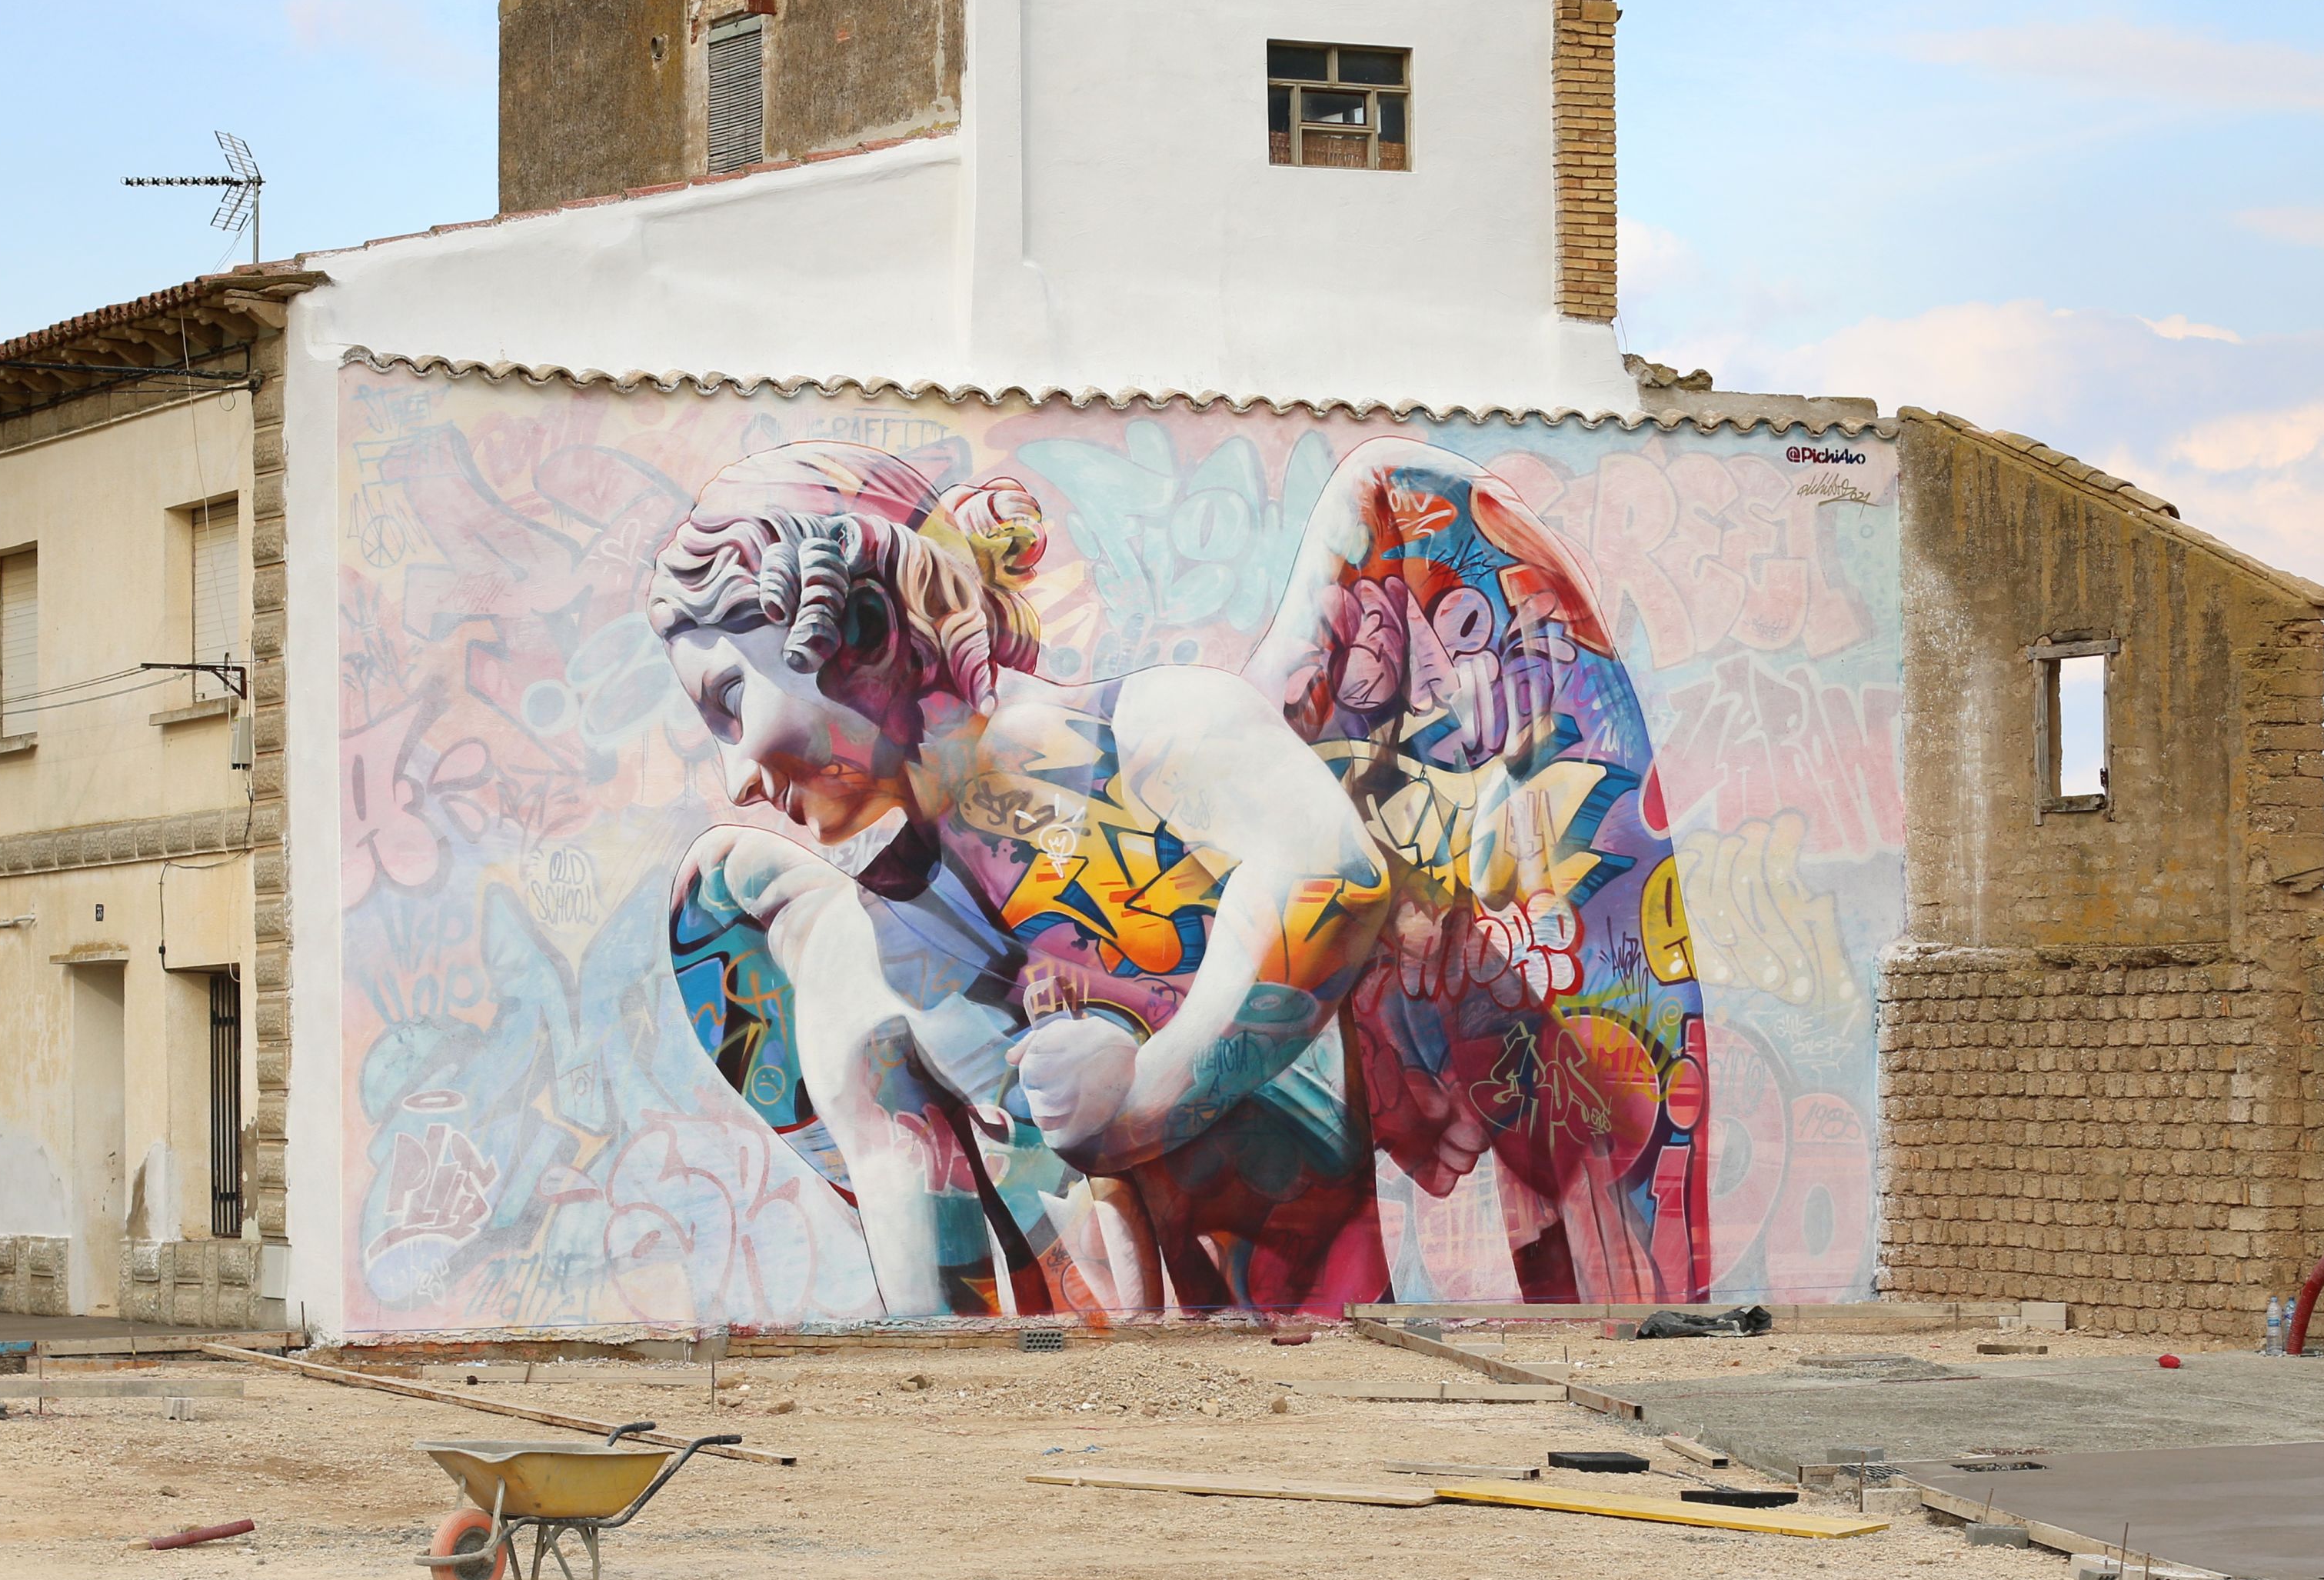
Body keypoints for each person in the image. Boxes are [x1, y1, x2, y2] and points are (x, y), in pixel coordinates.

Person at [647, 435, 1706, 1318]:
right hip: (1121, 1397)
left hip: (1315, 1339)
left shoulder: (1155, 734)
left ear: (865, 632)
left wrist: (1141, 1097)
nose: (737, 778)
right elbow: (980, 1241)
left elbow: (1335, 879)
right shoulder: (881, 931)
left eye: (732, 703)